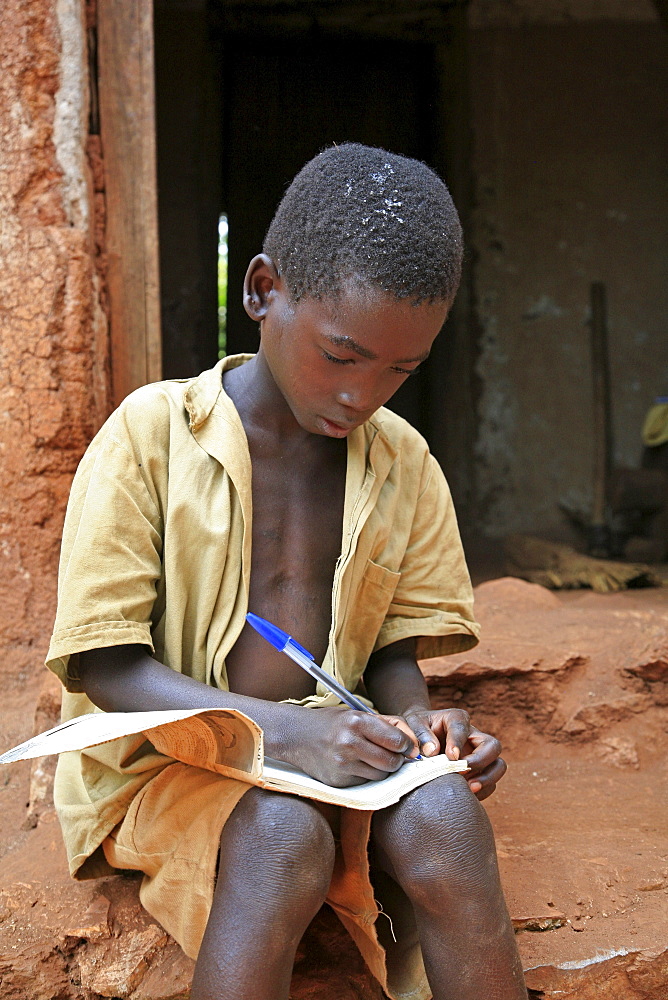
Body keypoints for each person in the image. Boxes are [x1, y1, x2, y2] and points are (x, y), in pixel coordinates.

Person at [46, 144, 527, 1000]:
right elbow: (107, 667)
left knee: (447, 820)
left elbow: (387, 659)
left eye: (401, 370)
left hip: (329, 740)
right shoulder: (150, 437)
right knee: (284, 837)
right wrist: (288, 733)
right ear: (264, 290)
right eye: (343, 355)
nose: (363, 393)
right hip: (166, 760)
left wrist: (422, 732)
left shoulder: (403, 462)